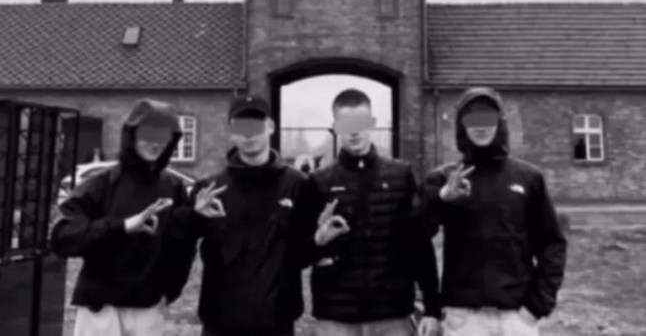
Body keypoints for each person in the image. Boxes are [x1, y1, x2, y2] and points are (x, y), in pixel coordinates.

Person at [422, 87, 567, 336]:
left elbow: (552, 245)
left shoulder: (529, 178)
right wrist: (442, 198)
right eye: (472, 119)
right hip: (464, 319)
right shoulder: (443, 179)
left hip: (517, 318)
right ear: (461, 125)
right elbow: (416, 236)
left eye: (487, 118)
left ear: (500, 122)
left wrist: (536, 307)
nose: (480, 126)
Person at [172, 94, 313, 336]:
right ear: (231, 132)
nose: (248, 134)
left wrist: (319, 242)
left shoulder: (298, 185)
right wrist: (194, 217)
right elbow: (180, 245)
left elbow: (305, 252)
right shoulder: (209, 189)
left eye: (255, 125)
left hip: (276, 322)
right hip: (220, 323)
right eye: (241, 126)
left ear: (270, 127)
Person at [51, 99, 194, 336]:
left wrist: (171, 290)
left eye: (162, 136)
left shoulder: (174, 188)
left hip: (148, 309)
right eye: (148, 134)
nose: (154, 143)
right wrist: (122, 227)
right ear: (132, 135)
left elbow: (182, 245)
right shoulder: (102, 184)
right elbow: (63, 237)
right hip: (101, 310)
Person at [308, 88, 441, 336]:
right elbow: (296, 251)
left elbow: (419, 245)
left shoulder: (401, 175)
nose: (354, 131)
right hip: (336, 317)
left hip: (391, 314)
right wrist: (317, 242)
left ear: (372, 123)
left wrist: (432, 307)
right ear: (335, 127)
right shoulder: (319, 182)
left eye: (360, 122)